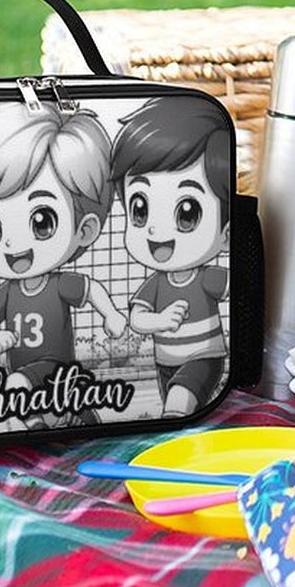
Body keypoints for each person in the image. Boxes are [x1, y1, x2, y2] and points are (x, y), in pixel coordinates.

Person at [0, 102, 128, 397]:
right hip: (23, 373)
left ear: (85, 230)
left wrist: (112, 314)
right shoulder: (8, 292)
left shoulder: (58, 284)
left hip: (56, 369)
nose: (13, 243)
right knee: (23, 397)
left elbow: (91, 288)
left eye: (42, 221)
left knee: (17, 388)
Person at [111, 95, 232, 417]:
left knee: (180, 402)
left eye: (187, 213)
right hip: (164, 361)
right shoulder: (155, 284)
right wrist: (160, 321)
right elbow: (138, 319)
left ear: (226, 232)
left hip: (204, 357)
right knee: (174, 406)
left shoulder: (208, 276)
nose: (157, 230)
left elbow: (238, 289)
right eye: (140, 209)